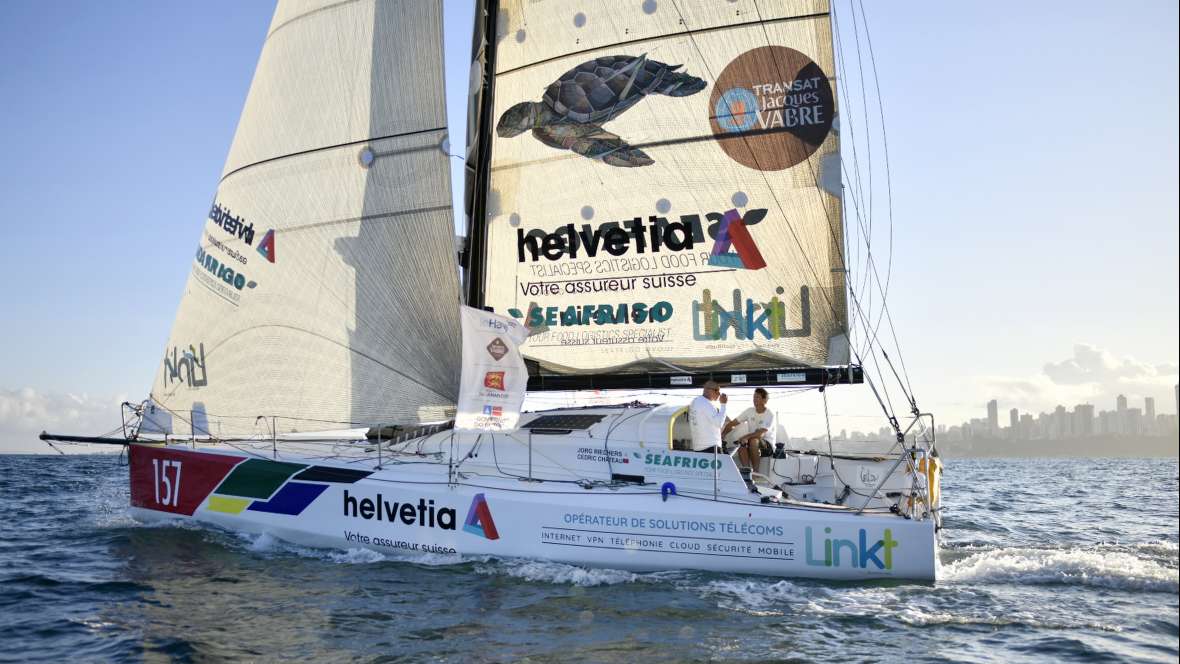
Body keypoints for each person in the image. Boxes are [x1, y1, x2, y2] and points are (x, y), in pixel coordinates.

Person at [722, 387, 777, 470]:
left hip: (767, 446)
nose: (754, 399)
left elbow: (760, 434)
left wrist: (746, 437)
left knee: (753, 441)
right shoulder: (749, 411)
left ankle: (756, 472)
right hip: (752, 441)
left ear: (764, 400)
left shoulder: (769, 414)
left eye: (757, 397)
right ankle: (747, 471)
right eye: (754, 397)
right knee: (741, 444)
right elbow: (733, 423)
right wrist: (723, 435)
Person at [688, 380, 727, 452]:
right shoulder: (705, 403)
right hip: (710, 447)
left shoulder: (695, 401)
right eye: (716, 390)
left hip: (698, 447)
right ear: (707, 390)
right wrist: (723, 405)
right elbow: (719, 423)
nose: (719, 394)